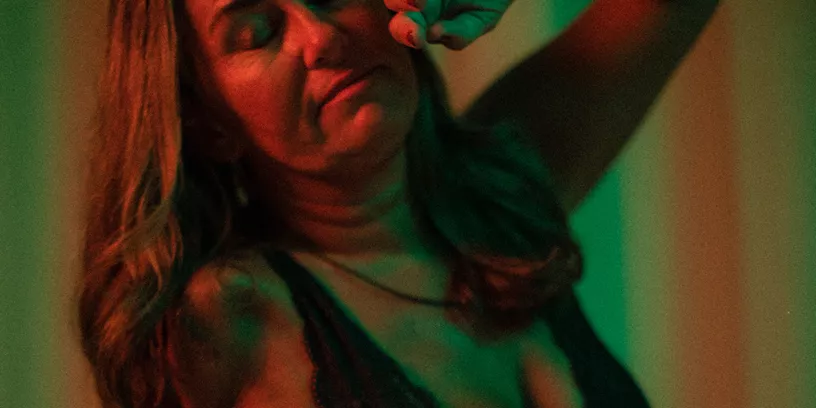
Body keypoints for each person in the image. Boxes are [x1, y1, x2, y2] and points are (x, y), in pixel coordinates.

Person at [78, 0, 720, 406]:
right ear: (208, 120)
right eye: (259, 31)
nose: (320, 36)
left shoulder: (506, 183)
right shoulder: (225, 319)